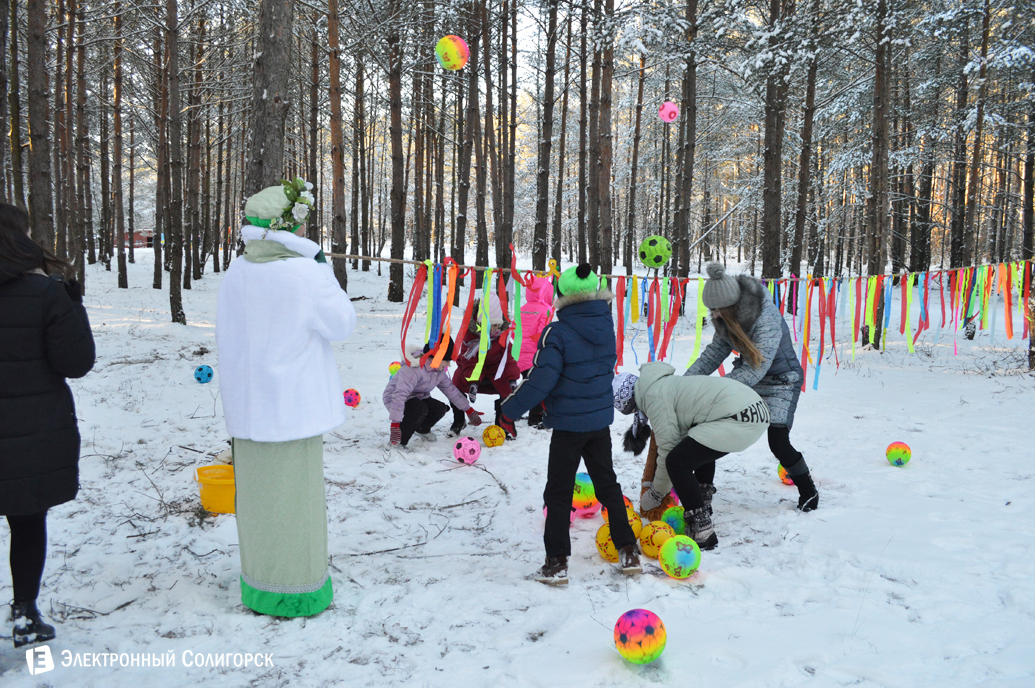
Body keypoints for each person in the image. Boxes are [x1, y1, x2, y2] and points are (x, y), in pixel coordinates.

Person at [216, 179, 356, 617]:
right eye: (300, 224)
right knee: (296, 503)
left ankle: (260, 585)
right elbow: (343, 324)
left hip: (249, 408)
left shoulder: (238, 271)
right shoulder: (304, 274)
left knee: (258, 501)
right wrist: (322, 270)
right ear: (288, 227)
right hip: (294, 409)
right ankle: (297, 592)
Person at [499, 264, 640, 584]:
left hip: (568, 426)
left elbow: (540, 380)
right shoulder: (606, 325)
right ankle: (628, 550)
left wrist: (509, 410)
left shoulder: (558, 332)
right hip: (598, 422)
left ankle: (557, 563)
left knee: (559, 493)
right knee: (607, 485)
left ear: (562, 294)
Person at [0, 204, 95, 647]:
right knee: (26, 518)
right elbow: (76, 363)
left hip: (30, 427)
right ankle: (25, 613)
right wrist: (72, 304)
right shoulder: (44, 293)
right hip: (31, 431)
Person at [684, 263, 819, 512]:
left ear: (730, 305)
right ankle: (703, 492)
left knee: (778, 442)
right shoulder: (725, 318)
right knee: (709, 428)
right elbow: (714, 353)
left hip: (781, 381)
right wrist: (684, 383)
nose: (714, 316)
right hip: (747, 377)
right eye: (711, 310)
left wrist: (712, 390)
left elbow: (757, 368)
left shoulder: (765, 316)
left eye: (717, 310)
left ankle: (808, 491)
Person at [613, 362, 770, 550]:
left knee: (676, 462)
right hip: (755, 411)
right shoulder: (661, 384)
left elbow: (668, 448)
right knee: (697, 442)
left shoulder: (652, 397)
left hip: (739, 418)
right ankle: (703, 504)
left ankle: (701, 530)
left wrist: (656, 493)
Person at [383, 337, 483, 447]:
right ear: (436, 358)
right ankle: (397, 443)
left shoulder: (437, 370)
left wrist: (469, 410)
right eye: (446, 361)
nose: (448, 365)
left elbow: (451, 390)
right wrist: (395, 423)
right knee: (419, 410)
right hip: (395, 398)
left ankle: (422, 429)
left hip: (418, 396)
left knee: (439, 409)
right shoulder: (414, 369)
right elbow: (400, 394)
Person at [449, 293, 521, 434]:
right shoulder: (470, 334)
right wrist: (473, 382)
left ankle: (502, 424)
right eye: (490, 325)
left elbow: (508, 358)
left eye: (497, 325)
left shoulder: (502, 334)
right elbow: (468, 360)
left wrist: (512, 378)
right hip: (471, 370)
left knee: (507, 392)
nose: (494, 329)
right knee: (454, 387)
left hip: (495, 370)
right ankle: (459, 421)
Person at [516, 276, 554, 427]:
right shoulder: (546, 310)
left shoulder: (522, 308)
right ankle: (535, 417)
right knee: (538, 386)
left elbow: (514, 331)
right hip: (536, 355)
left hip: (519, 354)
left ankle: (515, 411)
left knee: (526, 384)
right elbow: (543, 334)